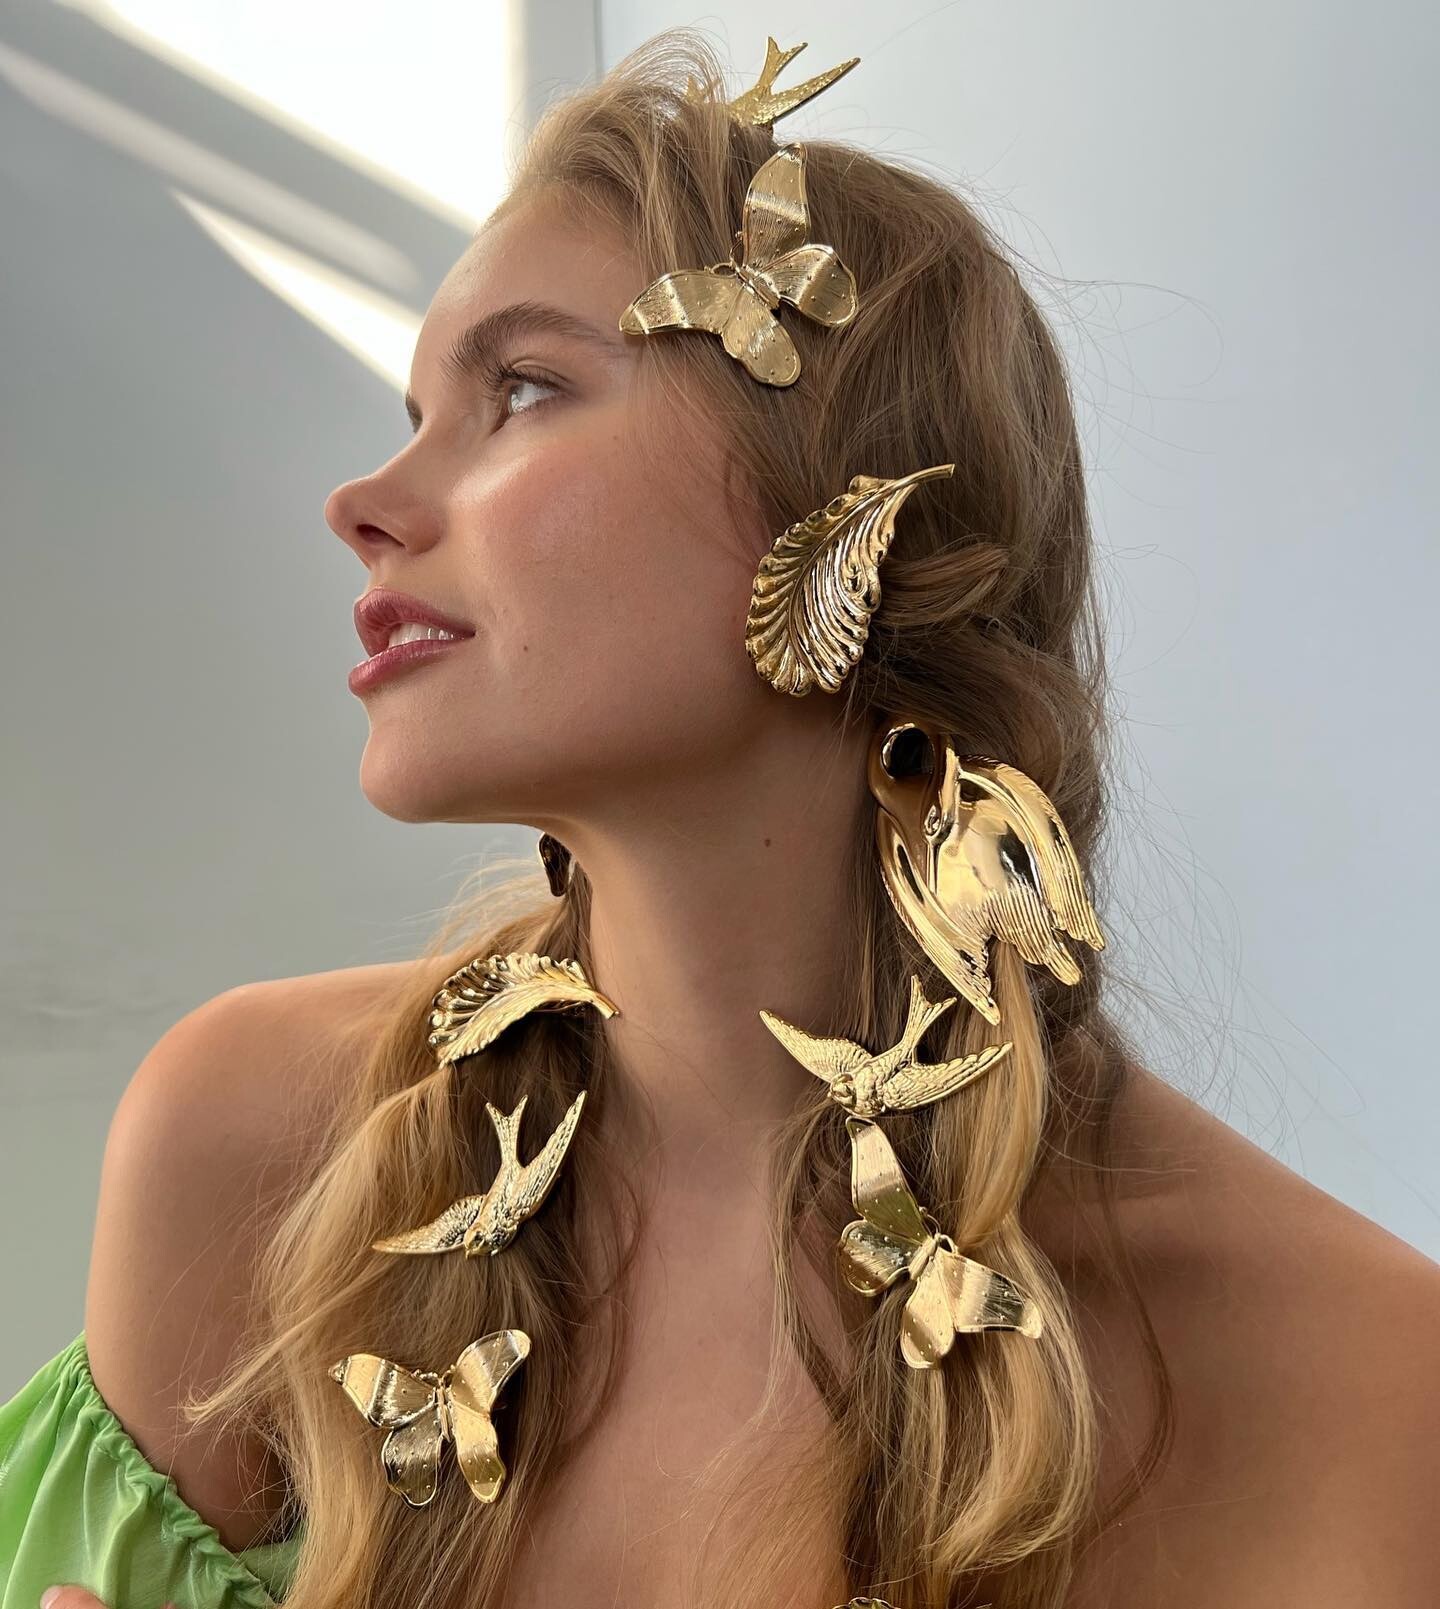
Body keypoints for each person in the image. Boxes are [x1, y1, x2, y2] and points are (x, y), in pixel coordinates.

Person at [4, 26, 1438, 1609]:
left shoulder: (1357, 1381)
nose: (365, 502)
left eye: (521, 388)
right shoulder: (258, 1156)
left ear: (853, 504)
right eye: (417, 407)